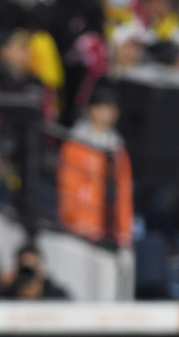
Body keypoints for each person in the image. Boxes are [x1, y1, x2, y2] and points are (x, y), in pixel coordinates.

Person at [56, 86, 133, 248]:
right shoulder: (76, 144)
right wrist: (73, 220)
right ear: (91, 109)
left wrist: (124, 229)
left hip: (109, 230)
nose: (109, 113)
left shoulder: (118, 148)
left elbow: (124, 191)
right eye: (104, 107)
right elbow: (68, 185)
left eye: (112, 108)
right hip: (79, 230)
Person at [1, 244, 70, 300]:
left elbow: (71, 308)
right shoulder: (7, 293)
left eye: (34, 266)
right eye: (25, 269)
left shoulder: (56, 295)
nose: (29, 273)